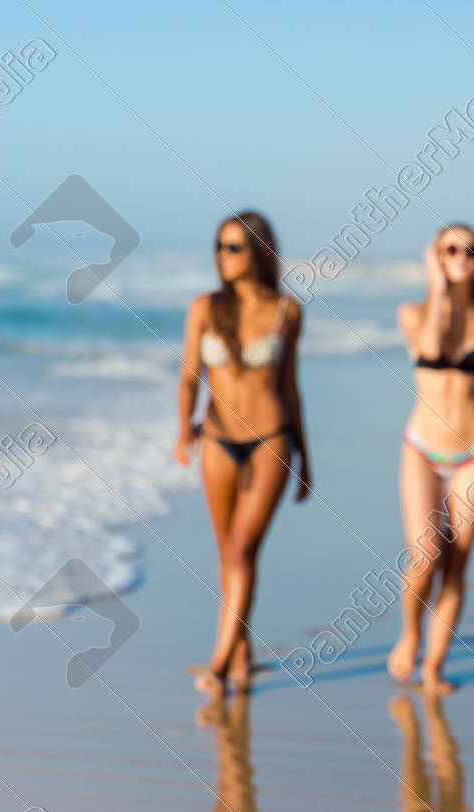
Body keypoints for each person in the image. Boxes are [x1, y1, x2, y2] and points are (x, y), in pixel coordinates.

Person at [176, 212, 311, 697]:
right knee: (227, 551)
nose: (223, 256)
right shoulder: (204, 308)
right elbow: (190, 374)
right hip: (215, 438)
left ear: (259, 252)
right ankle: (242, 652)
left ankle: (217, 662)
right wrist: (182, 428)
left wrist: (305, 456)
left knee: (240, 550)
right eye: (219, 246)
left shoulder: (286, 311)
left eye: (234, 247)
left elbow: (290, 385)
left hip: (271, 440)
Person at [387, 224, 474, 696]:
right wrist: (438, 288)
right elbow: (432, 348)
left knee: (456, 563)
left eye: (470, 250)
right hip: (421, 448)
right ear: (435, 257)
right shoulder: (413, 313)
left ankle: (434, 666)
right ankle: (411, 632)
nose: (461, 256)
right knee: (424, 556)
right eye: (451, 249)